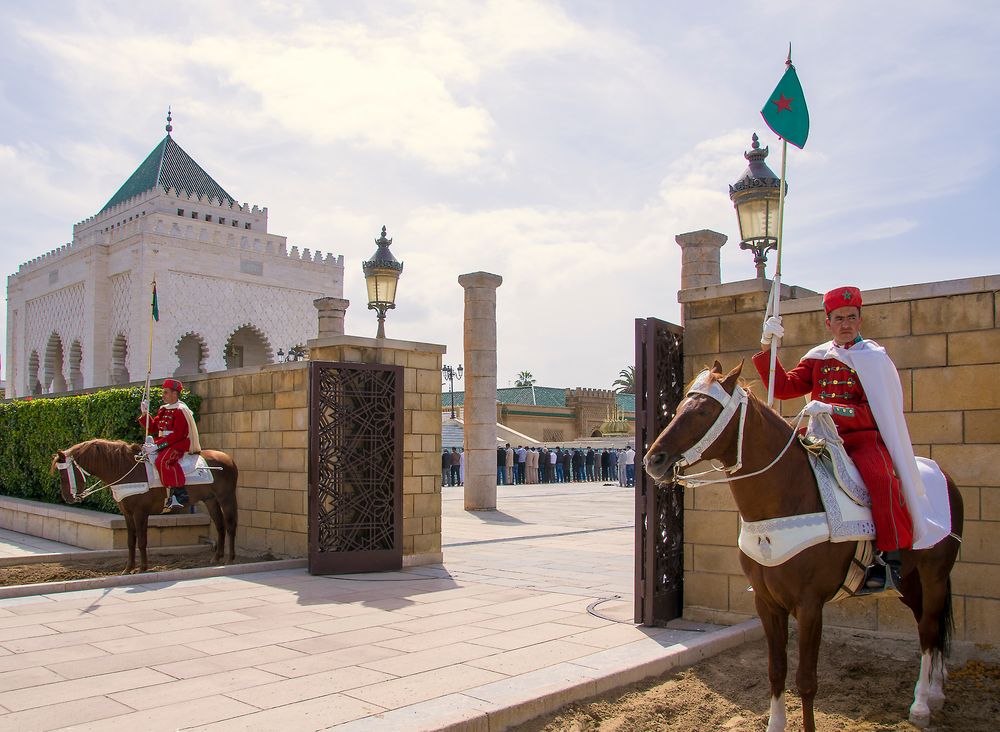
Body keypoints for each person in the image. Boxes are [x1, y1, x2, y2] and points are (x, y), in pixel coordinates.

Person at [754, 285, 923, 593]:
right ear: (827, 322)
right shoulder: (817, 357)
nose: (846, 324)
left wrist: (832, 408)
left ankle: (889, 558)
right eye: (839, 318)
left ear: (860, 319)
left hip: (860, 439)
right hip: (819, 436)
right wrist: (768, 348)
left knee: (881, 479)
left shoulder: (873, 359)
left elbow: (875, 413)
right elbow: (784, 387)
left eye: (851, 317)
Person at [138, 378, 201, 511]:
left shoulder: (181, 410)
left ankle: (179, 493)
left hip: (178, 444)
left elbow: (178, 435)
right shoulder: (163, 409)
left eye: (166, 392)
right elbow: (153, 428)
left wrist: (158, 446)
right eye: (163, 392)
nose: (163, 396)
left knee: (163, 461)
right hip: (163, 442)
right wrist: (145, 413)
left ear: (174, 394)